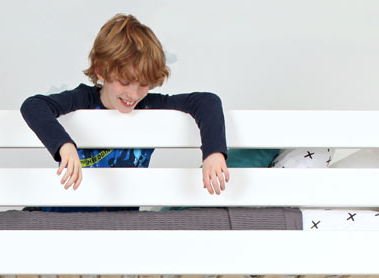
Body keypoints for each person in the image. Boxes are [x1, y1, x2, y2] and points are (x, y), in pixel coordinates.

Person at [20, 13, 229, 197]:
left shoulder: (150, 106)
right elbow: (33, 105)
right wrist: (65, 146)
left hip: (120, 220)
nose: (133, 94)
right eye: (125, 82)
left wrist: (213, 153)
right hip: (63, 213)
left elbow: (207, 100)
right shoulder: (82, 99)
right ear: (101, 71)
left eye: (144, 84)